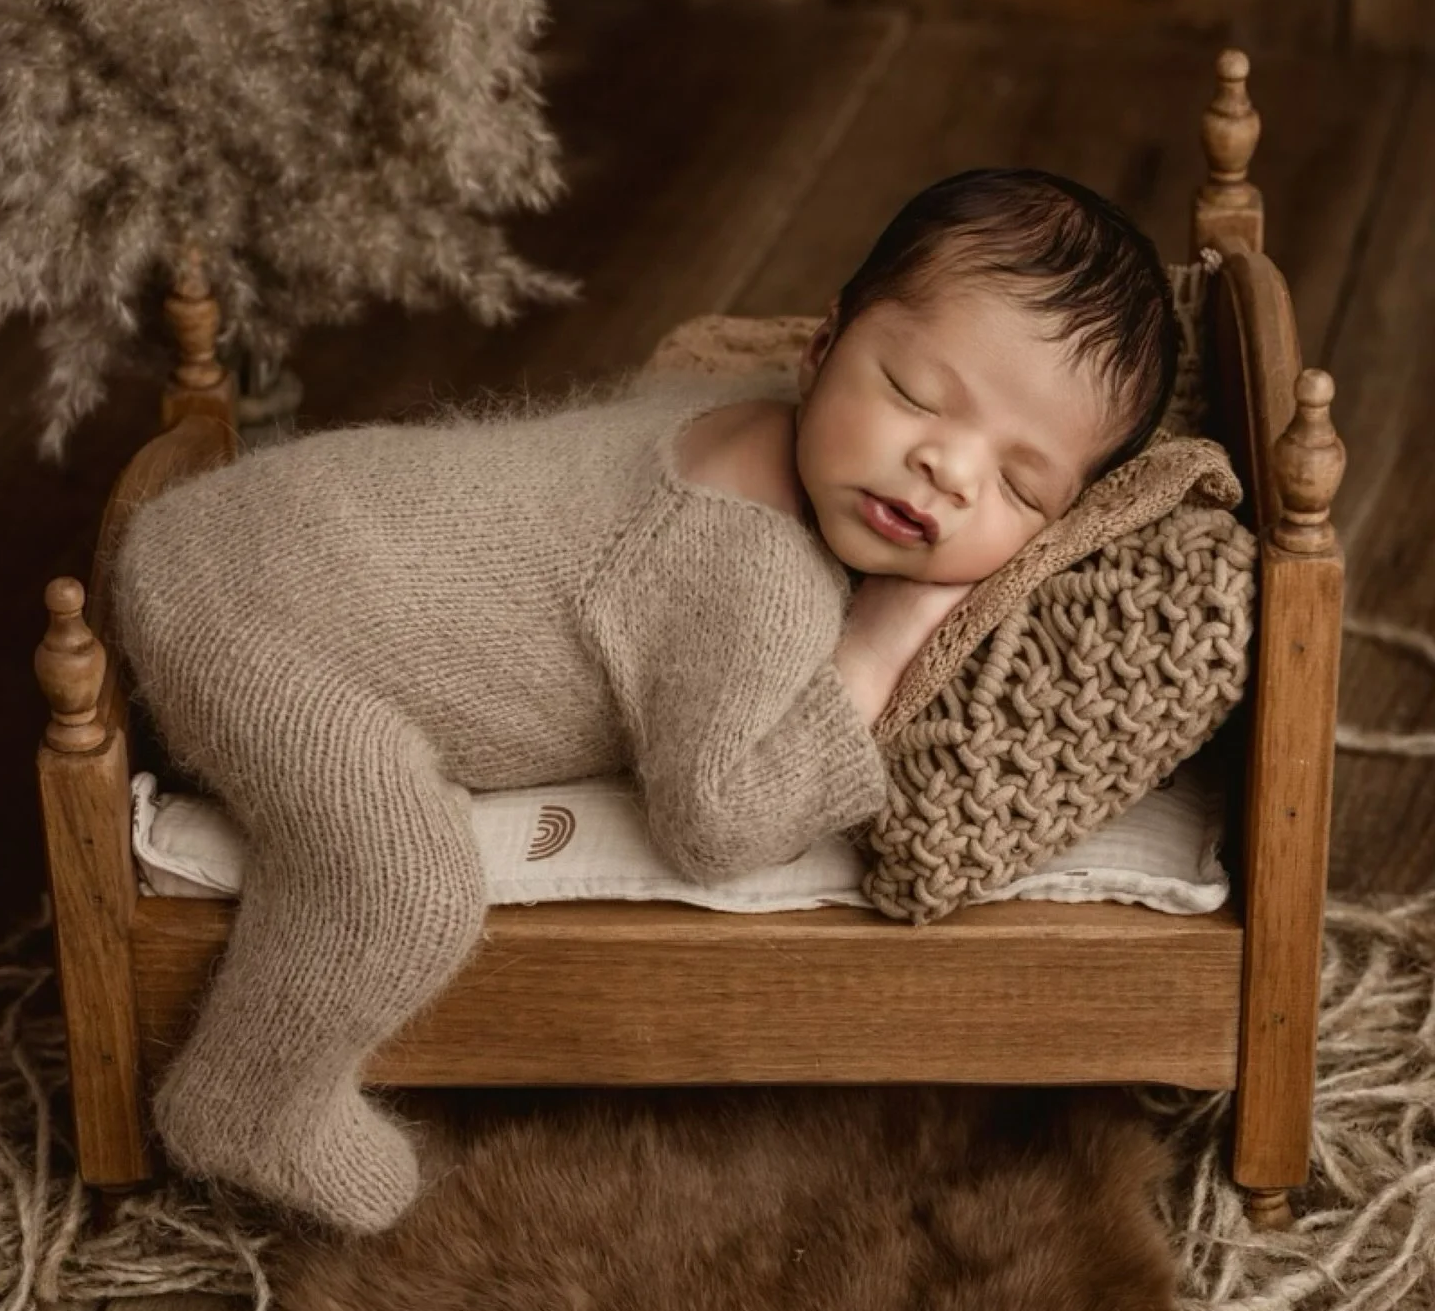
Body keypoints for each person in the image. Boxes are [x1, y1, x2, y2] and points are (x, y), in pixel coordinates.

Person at [114, 167, 1178, 1232]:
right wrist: (881, 641)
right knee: (405, 884)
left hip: (245, 525)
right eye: (914, 394)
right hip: (256, 634)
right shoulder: (750, 571)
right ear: (820, 349)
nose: (946, 469)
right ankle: (246, 1100)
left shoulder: (735, 413)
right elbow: (716, 821)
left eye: (1022, 486)